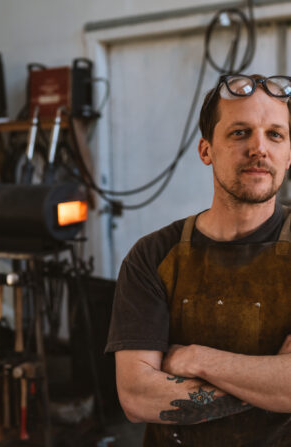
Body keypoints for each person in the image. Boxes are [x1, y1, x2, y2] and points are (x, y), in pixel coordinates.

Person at [105, 73, 291, 446]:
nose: (259, 148)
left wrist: (195, 358)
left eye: (275, 134)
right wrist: (271, 385)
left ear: (289, 153)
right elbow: (137, 397)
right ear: (206, 150)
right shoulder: (153, 256)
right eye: (240, 133)